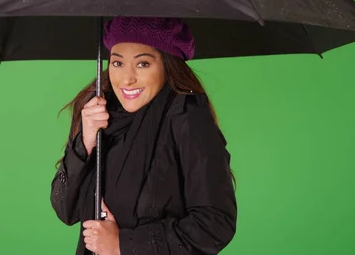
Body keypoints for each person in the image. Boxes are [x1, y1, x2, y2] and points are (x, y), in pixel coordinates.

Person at [50, 17, 237, 255]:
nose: (127, 79)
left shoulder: (187, 118)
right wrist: (85, 142)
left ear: (168, 65)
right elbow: (65, 210)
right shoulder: (101, 114)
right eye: (117, 63)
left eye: (143, 64)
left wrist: (123, 245)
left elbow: (216, 223)